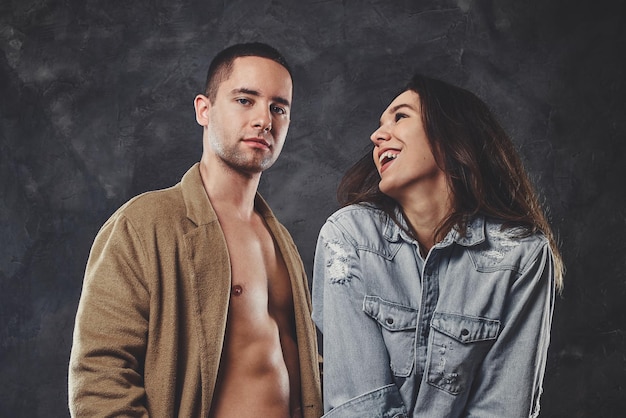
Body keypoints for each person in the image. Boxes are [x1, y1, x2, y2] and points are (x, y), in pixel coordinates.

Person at [69, 42, 322, 418]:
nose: (264, 120)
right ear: (204, 110)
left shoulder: (281, 241)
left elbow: (300, 369)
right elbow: (100, 377)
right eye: (244, 100)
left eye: (278, 108)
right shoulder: (143, 223)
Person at [312, 74, 564, 417]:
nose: (376, 135)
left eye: (400, 117)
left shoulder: (522, 254)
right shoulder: (348, 237)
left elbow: (504, 408)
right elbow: (358, 405)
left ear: (451, 135)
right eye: (380, 124)